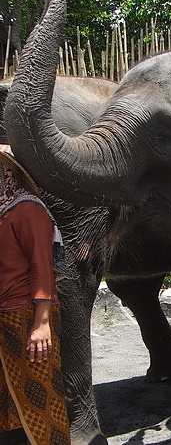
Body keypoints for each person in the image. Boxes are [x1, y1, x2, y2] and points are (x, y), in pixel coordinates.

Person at [0, 145, 70, 445]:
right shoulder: (4, 210)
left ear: (8, 172)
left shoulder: (27, 209)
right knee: (7, 401)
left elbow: (42, 267)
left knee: (39, 397)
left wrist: (41, 323)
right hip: (5, 318)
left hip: (26, 317)